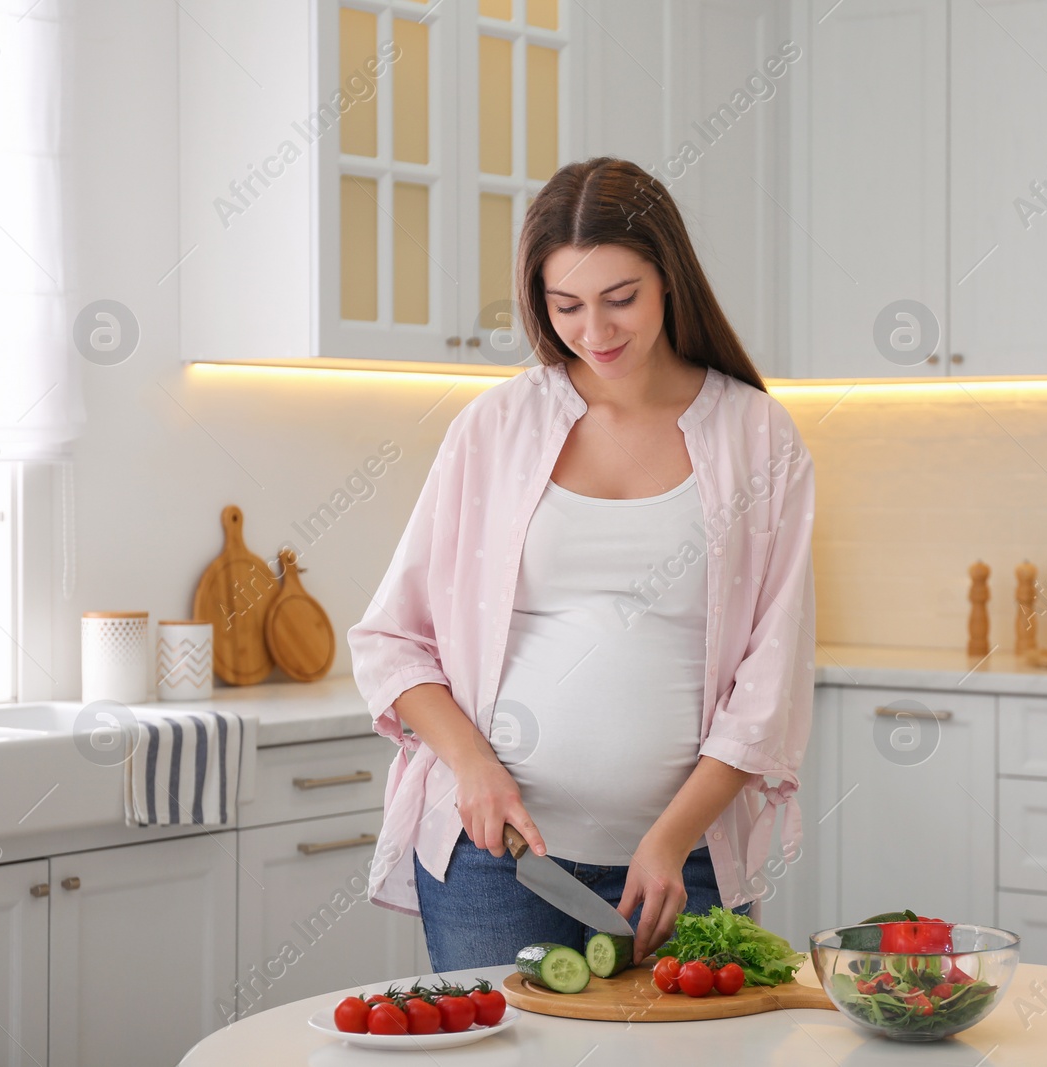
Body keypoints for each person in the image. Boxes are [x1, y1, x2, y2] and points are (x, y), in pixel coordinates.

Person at [348, 157, 817, 971]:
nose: (594, 332)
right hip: (497, 857)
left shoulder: (757, 437)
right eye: (566, 306)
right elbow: (392, 639)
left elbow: (769, 686)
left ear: (670, 279)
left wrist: (669, 838)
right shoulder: (495, 429)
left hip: (685, 866)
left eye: (620, 299)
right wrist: (474, 767)